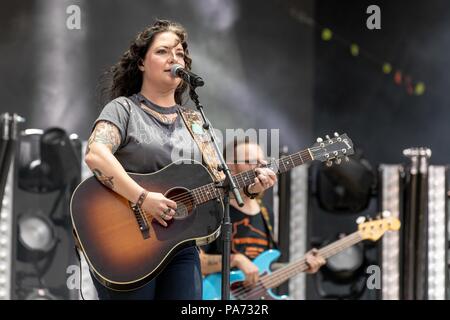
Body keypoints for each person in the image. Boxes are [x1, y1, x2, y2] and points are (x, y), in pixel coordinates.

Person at [83, 19, 277, 300]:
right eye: (163, 51)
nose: (174, 57)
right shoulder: (123, 109)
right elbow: (96, 154)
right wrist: (142, 197)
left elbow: (219, 184)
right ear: (141, 62)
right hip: (127, 242)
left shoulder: (196, 122)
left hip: (180, 245)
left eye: (180, 53)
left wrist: (249, 189)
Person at [200, 140, 326, 290]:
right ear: (230, 168)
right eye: (252, 162)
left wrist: (301, 265)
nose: (261, 167)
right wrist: (236, 260)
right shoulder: (213, 209)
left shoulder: (266, 213)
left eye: (263, 161)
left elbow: (265, 270)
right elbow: (198, 263)